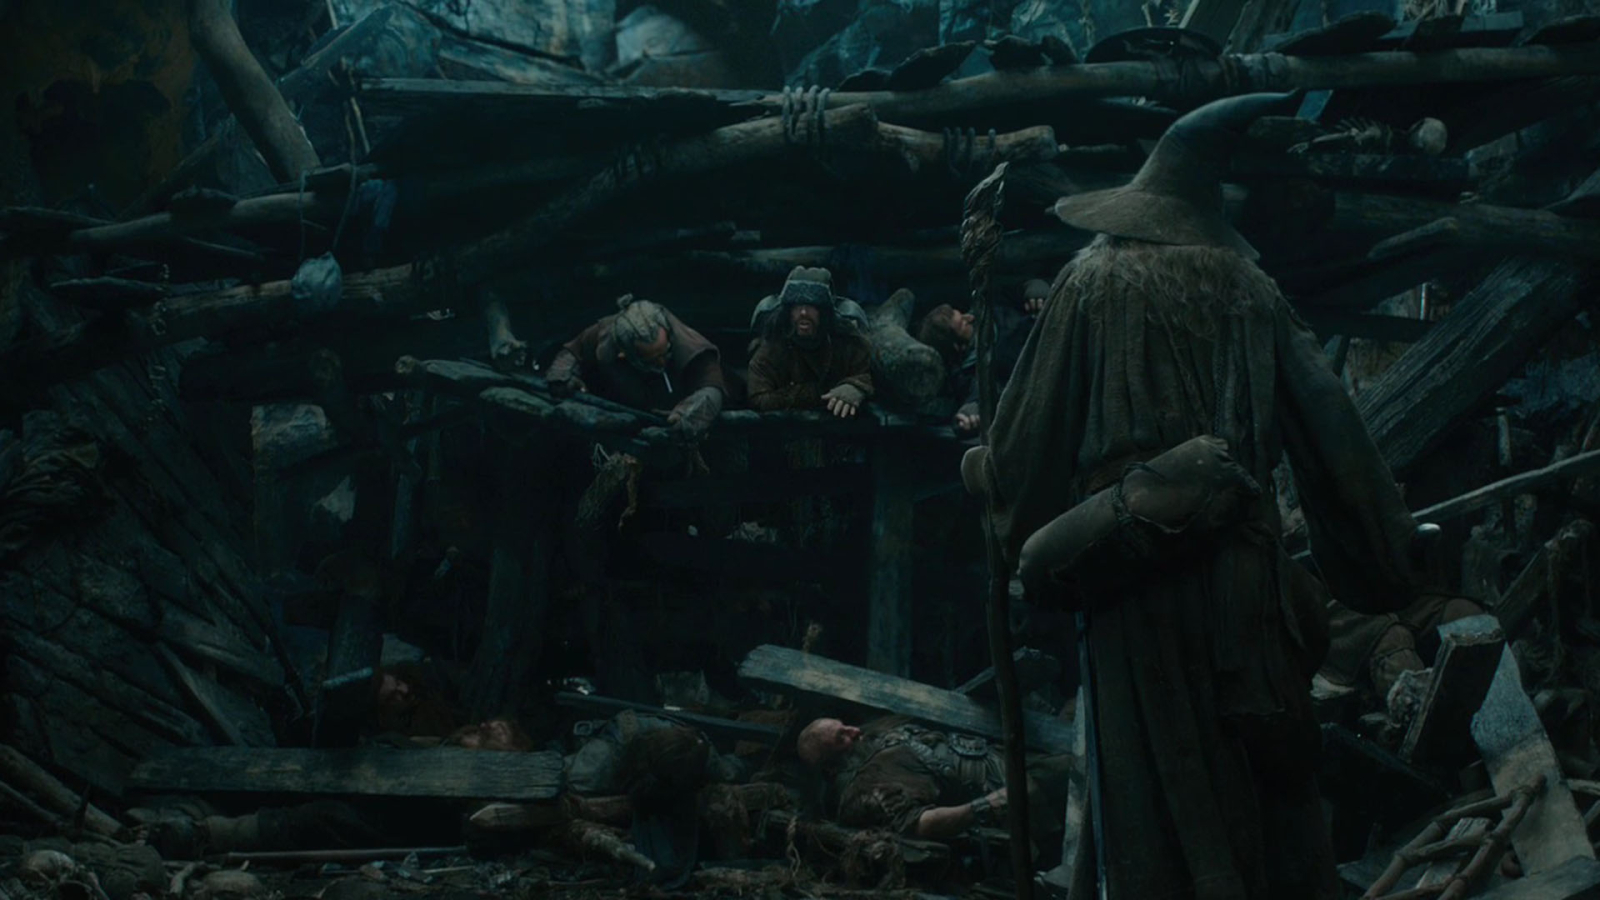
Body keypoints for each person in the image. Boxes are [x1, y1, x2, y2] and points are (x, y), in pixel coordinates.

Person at [970, 93, 1435, 900]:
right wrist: (1382, 556)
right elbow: (1332, 430)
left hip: (1131, 580)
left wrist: (994, 486)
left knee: (1148, 786)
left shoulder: (1091, 281)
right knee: (1261, 775)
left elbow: (1027, 446)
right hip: (1244, 584)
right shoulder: (1252, 290)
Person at [795, 716, 1071, 848]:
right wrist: (993, 803)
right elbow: (921, 823)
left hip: (1005, 754)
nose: (854, 731)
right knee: (1075, 770)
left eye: (844, 725)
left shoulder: (870, 736)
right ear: (831, 767)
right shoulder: (865, 789)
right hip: (1008, 788)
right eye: (841, 738)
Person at [546, 294, 726, 439]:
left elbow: (711, 388)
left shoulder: (691, 348)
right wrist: (564, 378)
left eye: (664, 353)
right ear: (625, 353)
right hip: (625, 405)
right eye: (652, 359)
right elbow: (572, 353)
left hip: (674, 408)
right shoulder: (606, 336)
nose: (661, 362)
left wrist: (687, 418)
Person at [917, 278, 1048, 435]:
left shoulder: (990, 305)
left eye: (962, 314)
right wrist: (969, 413)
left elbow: (1018, 290)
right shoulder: (975, 371)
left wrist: (1034, 287)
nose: (970, 318)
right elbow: (980, 394)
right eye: (963, 324)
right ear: (958, 346)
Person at [746, 267, 874, 418]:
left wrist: (855, 387)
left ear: (824, 311)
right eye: (797, 305)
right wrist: (819, 393)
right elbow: (758, 398)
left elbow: (870, 373)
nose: (803, 312)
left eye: (812, 305)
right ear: (788, 311)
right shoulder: (772, 345)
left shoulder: (847, 342)